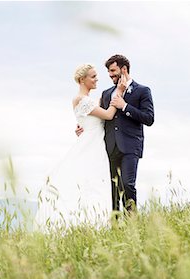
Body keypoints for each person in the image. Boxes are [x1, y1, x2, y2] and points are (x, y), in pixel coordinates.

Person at [34, 64, 126, 230]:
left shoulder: (89, 100)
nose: (96, 79)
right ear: (82, 80)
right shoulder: (81, 99)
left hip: (95, 142)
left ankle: (97, 222)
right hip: (91, 145)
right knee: (90, 183)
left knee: (96, 184)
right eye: (93, 76)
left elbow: (94, 118)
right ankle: (90, 223)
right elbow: (108, 115)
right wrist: (118, 93)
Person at [76, 54, 154, 214]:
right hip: (109, 147)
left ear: (123, 69)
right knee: (111, 189)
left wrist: (125, 106)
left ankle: (131, 221)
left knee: (127, 184)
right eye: (109, 72)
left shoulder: (142, 91)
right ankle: (115, 224)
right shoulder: (106, 93)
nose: (110, 75)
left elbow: (149, 118)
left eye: (113, 70)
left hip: (131, 146)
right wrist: (83, 126)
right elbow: (101, 117)